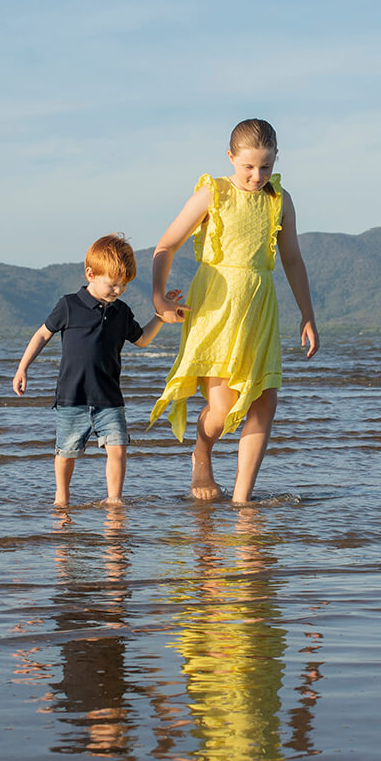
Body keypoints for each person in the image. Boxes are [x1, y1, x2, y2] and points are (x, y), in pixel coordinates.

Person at [149, 118, 319, 504]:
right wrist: (159, 299)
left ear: (276, 161)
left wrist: (307, 314)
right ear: (231, 157)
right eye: (248, 166)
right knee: (223, 410)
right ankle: (202, 451)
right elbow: (166, 246)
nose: (257, 176)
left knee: (265, 402)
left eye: (266, 167)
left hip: (260, 308)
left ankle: (243, 502)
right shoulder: (214, 193)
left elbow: (292, 259)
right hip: (216, 310)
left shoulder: (280, 199)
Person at [13, 234, 173, 508]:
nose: (118, 290)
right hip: (72, 397)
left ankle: (114, 500)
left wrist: (160, 316)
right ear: (91, 273)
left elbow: (142, 339)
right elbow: (42, 335)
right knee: (66, 453)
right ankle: (61, 499)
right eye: (113, 284)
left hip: (109, 398)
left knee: (118, 448)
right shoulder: (69, 305)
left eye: (123, 285)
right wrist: (22, 368)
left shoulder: (121, 312)